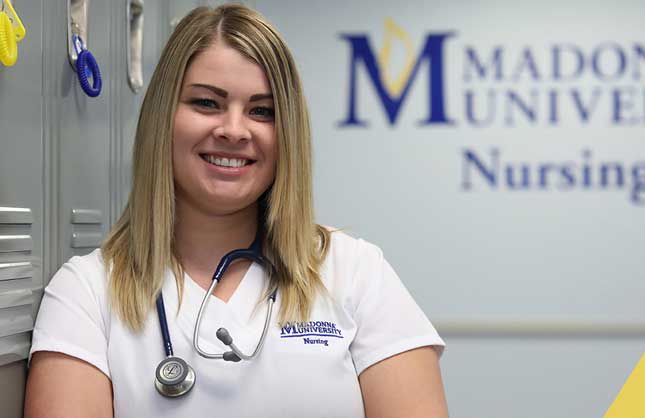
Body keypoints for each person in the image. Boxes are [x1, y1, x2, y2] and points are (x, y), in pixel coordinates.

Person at [24, 4, 448, 418]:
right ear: (162, 117)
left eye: (262, 111)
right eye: (207, 103)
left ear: (287, 135)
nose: (233, 129)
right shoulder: (87, 293)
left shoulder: (355, 272)